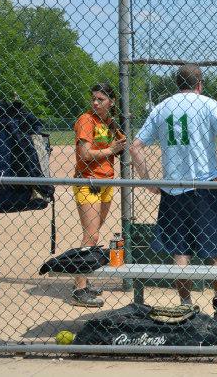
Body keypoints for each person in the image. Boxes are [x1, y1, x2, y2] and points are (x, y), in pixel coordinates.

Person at [128, 64, 217, 328]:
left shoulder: (162, 107)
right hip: (206, 188)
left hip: (173, 189)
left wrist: (148, 181)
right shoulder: (209, 104)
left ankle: (185, 306)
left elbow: (135, 148)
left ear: (176, 82)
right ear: (199, 83)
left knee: (180, 249)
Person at [69, 83, 126, 308]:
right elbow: (83, 154)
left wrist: (118, 140)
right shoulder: (86, 120)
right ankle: (79, 288)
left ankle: (84, 280)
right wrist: (111, 150)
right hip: (88, 181)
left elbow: (122, 141)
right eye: (93, 98)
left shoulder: (107, 122)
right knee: (90, 235)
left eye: (101, 99)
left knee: (94, 233)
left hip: (106, 181)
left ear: (111, 102)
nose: (95, 102)